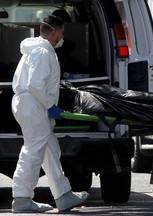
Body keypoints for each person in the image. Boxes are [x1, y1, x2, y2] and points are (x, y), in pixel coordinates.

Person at [11, 15, 89, 213]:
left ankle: (63, 195)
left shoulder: (35, 50)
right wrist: (49, 106)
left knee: (50, 150)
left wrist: (47, 105)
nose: (62, 37)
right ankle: (21, 198)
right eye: (62, 32)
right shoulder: (43, 51)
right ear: (54, 32)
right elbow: (36, 84)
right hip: (34, 103)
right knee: (33, 150)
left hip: (30, 103)